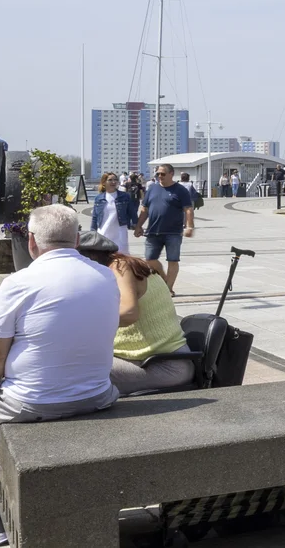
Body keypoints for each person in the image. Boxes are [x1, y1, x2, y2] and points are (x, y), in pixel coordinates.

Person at [0, 204, 119, 546]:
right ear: (76, 238)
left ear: (31, 241)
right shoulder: (105, 275)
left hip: (36, 400)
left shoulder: (20, 282)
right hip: (98, 394)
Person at [76, 229, 195, 395]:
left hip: (165, 366)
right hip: (146, 361)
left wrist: (80, 323)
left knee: (74, 371)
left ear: (89, 258)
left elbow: (129, 312)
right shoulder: (117, 267)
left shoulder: (120, 267)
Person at [141, 162, 198, 292]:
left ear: (171, 174)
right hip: (153, 231)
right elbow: (144, 209)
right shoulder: (152, 189)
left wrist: (190, 227)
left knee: (172, 260)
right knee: (149, 259)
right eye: (158, 174)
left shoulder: (180, 190)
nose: (160, 176)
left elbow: (188, 209)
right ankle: (165, 280)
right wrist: (139, 225)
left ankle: (168, 288)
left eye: (163, 174)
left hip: (173, 232)